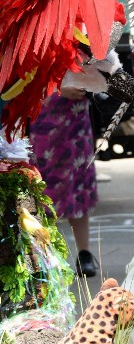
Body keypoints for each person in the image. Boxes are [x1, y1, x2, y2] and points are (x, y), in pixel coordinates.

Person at [30, 86, 99, 277]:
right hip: (44, 114)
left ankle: (84, 254)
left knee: (79, 184)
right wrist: (57, 89)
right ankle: (43, 256)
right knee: (44, 187)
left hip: (76, 118)